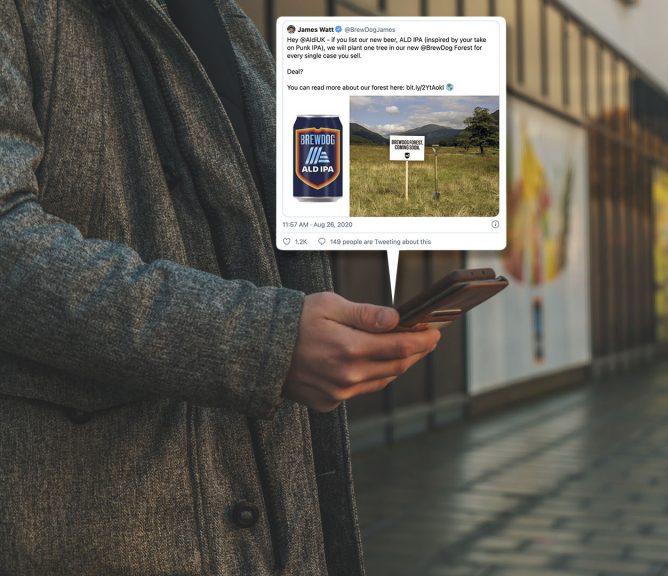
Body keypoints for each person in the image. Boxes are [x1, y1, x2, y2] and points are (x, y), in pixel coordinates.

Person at [0, 0, 439, 573]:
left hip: (266, 510)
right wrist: (264, 343)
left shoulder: (228, 22)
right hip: (100, 521)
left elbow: (256, 223)